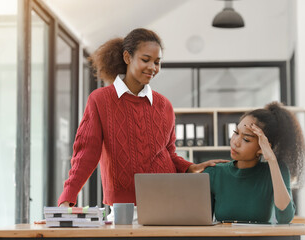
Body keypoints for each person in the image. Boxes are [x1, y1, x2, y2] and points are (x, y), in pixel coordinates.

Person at [58, 28, 227, 207]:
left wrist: (192, 167)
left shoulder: (164, 105)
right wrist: (68, 197)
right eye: (145, 60)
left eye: (157, 62)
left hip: (167, 199)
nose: (152, 68)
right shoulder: (100, 100)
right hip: (123, 208)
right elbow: (86, 153)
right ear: (127, 58)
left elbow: (169, 153)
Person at [203, 102, 305, 224]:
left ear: (262, 146)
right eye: (236, 133)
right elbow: (203, 223)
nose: (235, 142)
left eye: (246, 139)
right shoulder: (214, 172)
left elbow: (285, 218)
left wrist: (272, 160)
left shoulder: (277, 171)